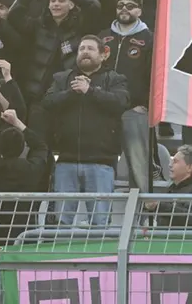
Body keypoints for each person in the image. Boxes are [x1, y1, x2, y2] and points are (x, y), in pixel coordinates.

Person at [42, 35, 129, 227]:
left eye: (90, 48)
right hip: (65, 159)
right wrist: (71, 93)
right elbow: (47, 102)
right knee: (61, 222)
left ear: (103, 55)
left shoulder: (114, 79)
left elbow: (120, 103)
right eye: (81, 49)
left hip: (102, 160)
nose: (85, 52)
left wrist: (90, 91)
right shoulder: (62, 78)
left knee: (100, 221)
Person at [8, 0, 101, 108]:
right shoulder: (39, 25)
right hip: (37, 96)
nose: (56, 4)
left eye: (61, 0)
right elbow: (14, 15)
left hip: (68, 95)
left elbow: (94, 6)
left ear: (71, 5)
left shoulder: (80, 26)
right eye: (53, 1)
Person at [98, 0, 157, 190]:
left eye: (130, 5)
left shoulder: (150, 38)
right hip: (103, 107)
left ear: (139, 10)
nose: (124, 9)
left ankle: (142, 219)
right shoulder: (103, 36)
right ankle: (100, 216)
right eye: (120, 5)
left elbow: (156, 75)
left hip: (134, 109)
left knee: (139, 166)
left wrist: (146, 104)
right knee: (101, 164)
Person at [0, 109, 48, 247]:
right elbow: (41, 146)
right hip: (24, 232)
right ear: (22, 148)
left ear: (0, 146)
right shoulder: (31, 169)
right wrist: (18, 123)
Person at [144, 145, 192, 228]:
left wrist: (160, 206)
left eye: (175, 161)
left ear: (189, 167)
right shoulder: (174, 188)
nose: (170, 165)